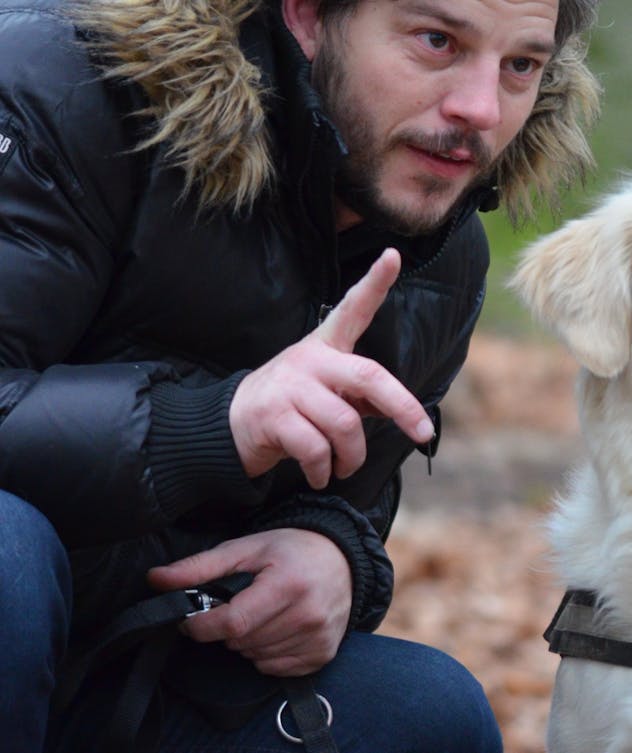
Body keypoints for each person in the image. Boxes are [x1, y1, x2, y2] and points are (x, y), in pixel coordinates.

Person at [0, 0, 600, 749]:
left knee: (425, 711)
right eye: (437, 41)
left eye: (520, 65)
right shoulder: (58, 84)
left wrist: (334, 553)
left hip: (135, 667)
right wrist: (216, 425)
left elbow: (349, 496)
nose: (481, 109)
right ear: (309, 16)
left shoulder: (442, 253)